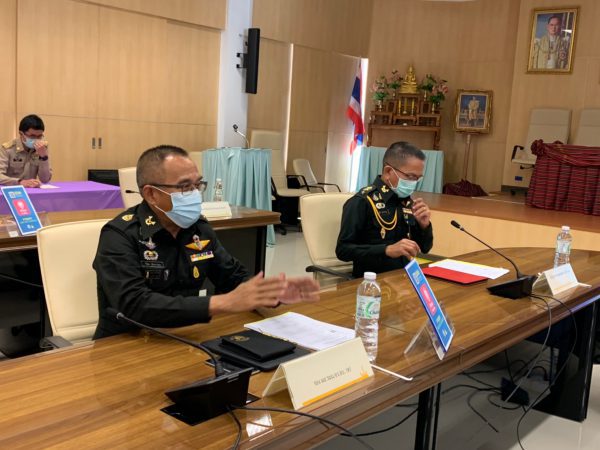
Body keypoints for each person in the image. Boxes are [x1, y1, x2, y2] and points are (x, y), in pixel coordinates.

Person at [93, 145, 320, 339]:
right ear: (151, 194)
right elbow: (135, 304)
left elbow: (232, 277)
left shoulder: (198, 229)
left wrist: (268, 293)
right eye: (185, 187)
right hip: (125, 343)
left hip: (185, 336)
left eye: (198, 185)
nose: (195, 194)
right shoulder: (119, 234)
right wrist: (223, 303)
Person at [336, 141, 433, 278]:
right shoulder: (362, 202)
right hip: (371, 281)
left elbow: (424, 248)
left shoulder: (407, 202)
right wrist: (386, 250)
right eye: (410, 176)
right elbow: (343, 251)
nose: (413, 183)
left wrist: (424, 227)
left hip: (403, 278)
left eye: (418, 178)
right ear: (388, 172)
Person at [0, 114, 52, 187]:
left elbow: (45, 180)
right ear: (21, 134)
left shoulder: (42, 148)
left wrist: (43, 157)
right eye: (32, 136)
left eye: (39, 136)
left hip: (32, 190)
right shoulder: (7, 149)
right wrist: (19, 182)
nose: (36, 139)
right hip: (10, 190)